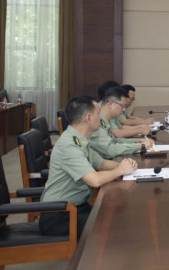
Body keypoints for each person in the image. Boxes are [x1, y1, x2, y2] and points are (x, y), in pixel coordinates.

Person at [39, 95, 138, 237]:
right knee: (113, 226)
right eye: (98, 113)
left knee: (118, 214)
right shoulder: (69, 145)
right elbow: (94, 180)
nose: (101, 116)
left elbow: (101, 163)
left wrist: (126, 166)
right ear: (89, 118)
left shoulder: (80, 139)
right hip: (59, 215)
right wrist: (120, 170)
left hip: (77, 207)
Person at [90, 86, 154, 159]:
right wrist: (140, 146)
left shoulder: (107, 118)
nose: (123, 110)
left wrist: (137, 141)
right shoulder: (95, 122)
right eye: (122, 106)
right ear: (110, 104)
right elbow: (111, 149)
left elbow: (115, 140)